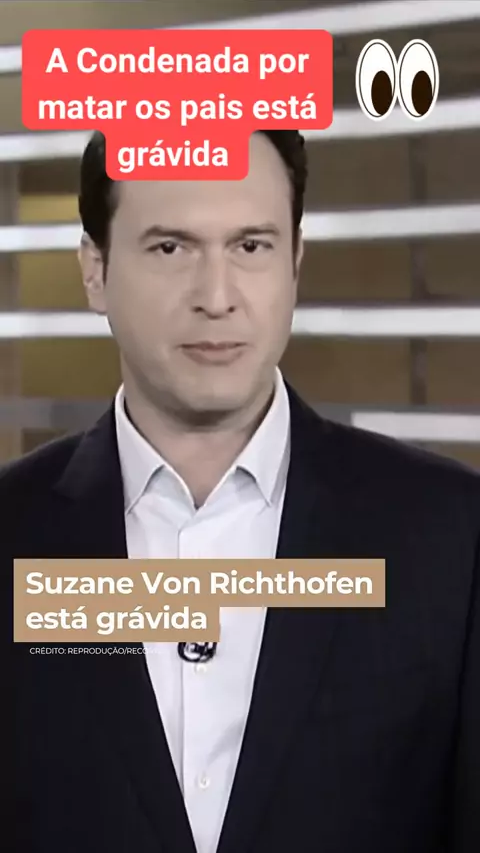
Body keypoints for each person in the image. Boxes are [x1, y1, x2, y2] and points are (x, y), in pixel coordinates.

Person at [9, 129, 479, 853]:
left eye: (251, 245)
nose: (217, 297)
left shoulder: (450, 535)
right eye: (171, 248)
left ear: (295, 262)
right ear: (94, 270)